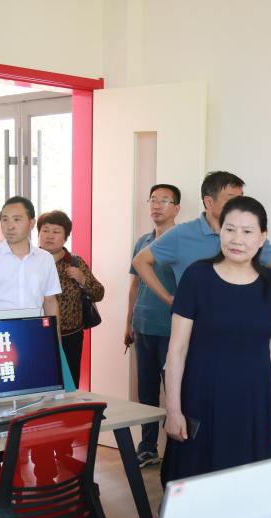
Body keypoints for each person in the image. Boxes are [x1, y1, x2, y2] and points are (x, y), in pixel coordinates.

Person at [162, 195, 271, 484]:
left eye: (247, 231)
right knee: (197, 480)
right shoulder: (197, 277)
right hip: (202, 397)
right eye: (229, 229)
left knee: (250, 483)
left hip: (256, 401)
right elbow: (177, 349)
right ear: (219, 231)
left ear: (262, 237)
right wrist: (173, 409)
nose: (237, 239)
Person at [131, 171, 271, 308]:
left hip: (240, 317)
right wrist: (169, 299)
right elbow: (140, 261)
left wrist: (257, 296)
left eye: (241, 199)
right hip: (195, 323)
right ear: (209, 202)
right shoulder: (181, 234)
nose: (239, 206)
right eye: (232, 200)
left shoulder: (248, 232)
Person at [125, 183, 181, 468]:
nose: (157, 205)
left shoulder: (182, 242)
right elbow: (135, 285)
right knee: (145, 393)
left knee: (174, 393)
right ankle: (147, 448)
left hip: (171, 331)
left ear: (177, 208)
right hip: (143, 326)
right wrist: (128, 322)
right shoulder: (142, 241)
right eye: (153, 200)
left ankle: (177, 451)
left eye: (164, 201)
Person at [36, 210, 104, 388]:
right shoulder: (30, 262)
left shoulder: (75, 262)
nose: (49, 236)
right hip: (38, 334)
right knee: (40, 383)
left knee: (69, 384)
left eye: (56, 231)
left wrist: (82, 279)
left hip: (71, 336)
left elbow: (99, 293)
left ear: (65, 237)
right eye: (45, 230)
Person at [0, 196, 60, 318]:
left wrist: (56, 330)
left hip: (33, 326)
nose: (10, 226)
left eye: (17, 219)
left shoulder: (45, 259)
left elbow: (50, 301)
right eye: (5, 220)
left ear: (31, 223)